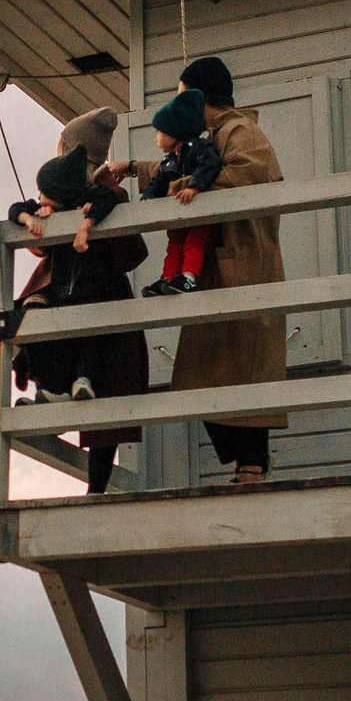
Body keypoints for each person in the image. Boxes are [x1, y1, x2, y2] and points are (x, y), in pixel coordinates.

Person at [100, 56, 286, 484]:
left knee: (244, 370)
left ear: (199, 96)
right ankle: (246, 465)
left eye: (184, 96)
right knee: (206, 373)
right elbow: (182, 166)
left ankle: (252, 467)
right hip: (224, 268)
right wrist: (132, 169)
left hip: (245, 264)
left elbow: (246, 173)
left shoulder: (240, 130)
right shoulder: (216, 135)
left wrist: (178, 189)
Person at [5, 138, 147, 494]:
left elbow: (124, 243)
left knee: (106, 396)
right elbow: (21, 211)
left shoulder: (104, 196)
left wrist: (82, 224)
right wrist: (33, 218)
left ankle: (96, 489)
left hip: (98, 298)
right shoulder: (67, 199)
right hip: (67, 294)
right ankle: (50, 391)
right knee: (34, 319)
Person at [137, 89, 224, 296]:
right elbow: (156, 183)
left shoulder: (199, 148)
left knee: (195, 242)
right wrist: (146, 201)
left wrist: (194, 186)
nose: (156, 139)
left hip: (198, 213)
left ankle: (188, 277)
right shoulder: (168, 161)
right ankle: (168, 279)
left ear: (174, 132)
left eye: (159, 132)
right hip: (179, 216)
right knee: (174, 245)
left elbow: (210, 165)